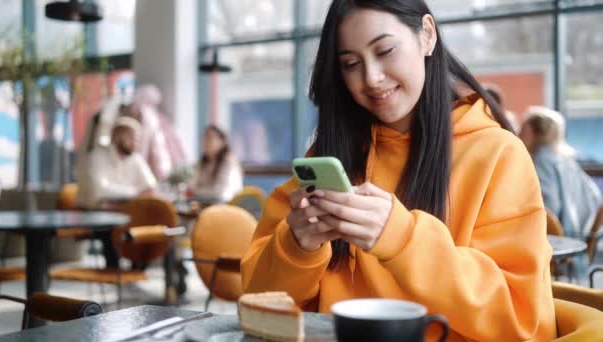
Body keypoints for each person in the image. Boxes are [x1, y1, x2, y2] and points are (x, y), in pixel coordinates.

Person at [241, 1, 555, 341]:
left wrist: (401, 238)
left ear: (427, 36)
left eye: (385, 50)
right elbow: (257, 301)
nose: (372, 78)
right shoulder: (331, 154)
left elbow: (520, 321)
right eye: (351, 63)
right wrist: (297, 247)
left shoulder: (498, 154)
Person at [520, 106, 602, 279]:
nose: (518, 133)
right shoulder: (565, 160)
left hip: (558, 241)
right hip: (579, 237)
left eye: (523, 129)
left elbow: (547, 209)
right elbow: (594, 195)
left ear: (536, 132)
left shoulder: (542, 161)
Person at [76, 116, 157, 267]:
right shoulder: (97, 156)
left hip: (127, 212)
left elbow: (150, 187)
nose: (136, 142)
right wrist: (135, 193)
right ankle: (113, 271)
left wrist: (122, 196)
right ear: (117, 136)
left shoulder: (136, 159)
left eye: (138, 139)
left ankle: (138, 269)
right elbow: (101, 191)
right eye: (132, 137)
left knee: (149, 225)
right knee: (111, 228)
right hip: (96, 214)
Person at [189, 125, 243, 203]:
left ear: (222, 142)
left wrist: (196, 192)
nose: (206, 142)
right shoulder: (202, 162)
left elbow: (221, 193)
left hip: (227, 207)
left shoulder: (228, 161)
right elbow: (192, 184)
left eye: (210, 138)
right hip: (206, 203)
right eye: (204, 138)